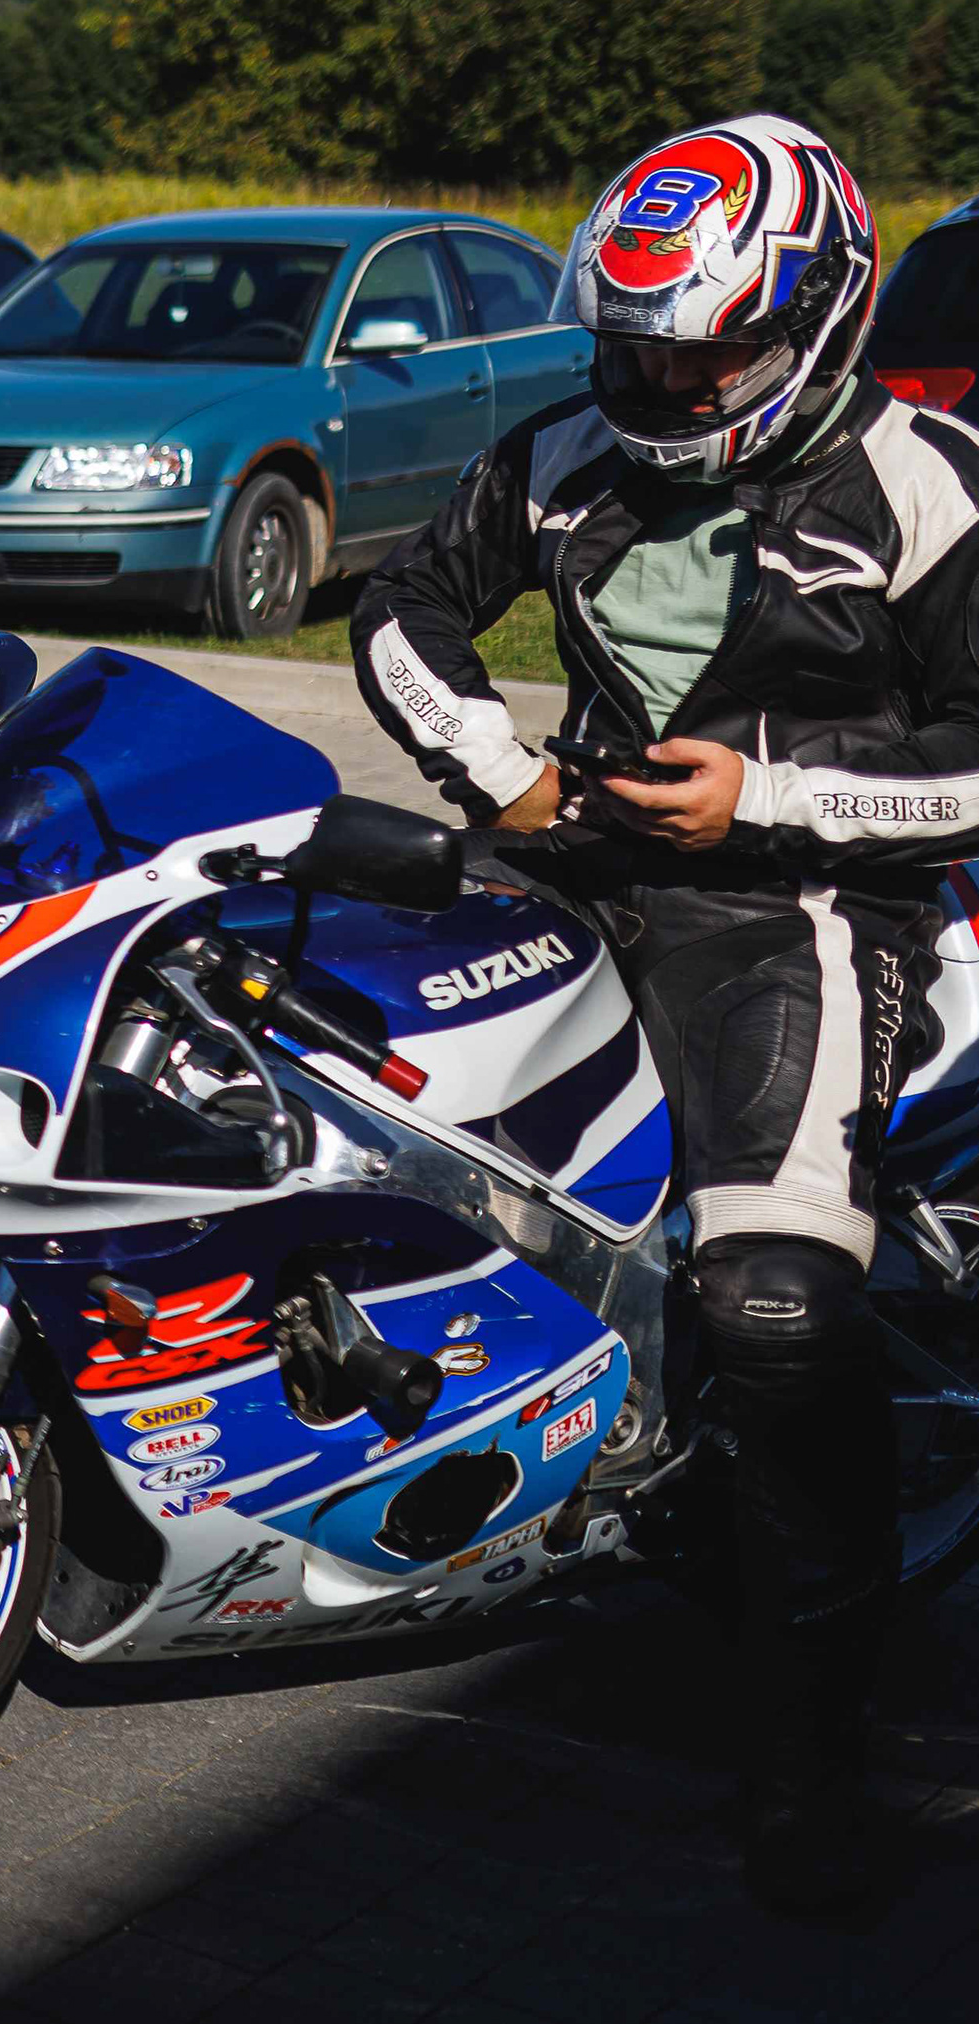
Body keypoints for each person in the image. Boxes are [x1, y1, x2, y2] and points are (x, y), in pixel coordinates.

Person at [352, 113, 973, 1918]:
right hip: (570, 864)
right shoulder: (561, 452)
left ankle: (813, 1770)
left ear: (822, 316)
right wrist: (500, 767)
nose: (665, 382)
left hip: (801, 909)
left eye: (710, 351)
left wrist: (766, 798)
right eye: (636, 347)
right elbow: (397, 612)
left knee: (772, 1305)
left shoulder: (930, 484)